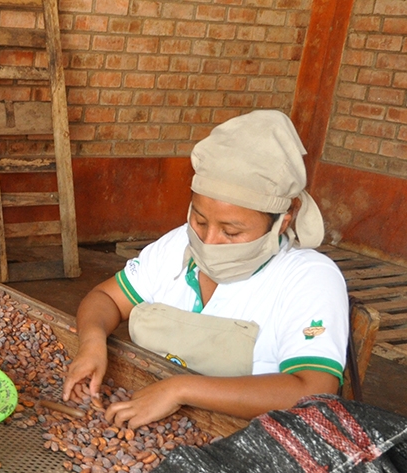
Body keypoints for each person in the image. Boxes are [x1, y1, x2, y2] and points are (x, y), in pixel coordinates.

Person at [62, 110, 348, 429]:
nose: (209, 241)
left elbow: (313, 389)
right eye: (199, 220)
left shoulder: (308, 278)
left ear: (284, 219)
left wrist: (180, 388)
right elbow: (107, 298)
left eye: (231, 231)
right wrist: (92, 340)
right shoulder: (174, 247)